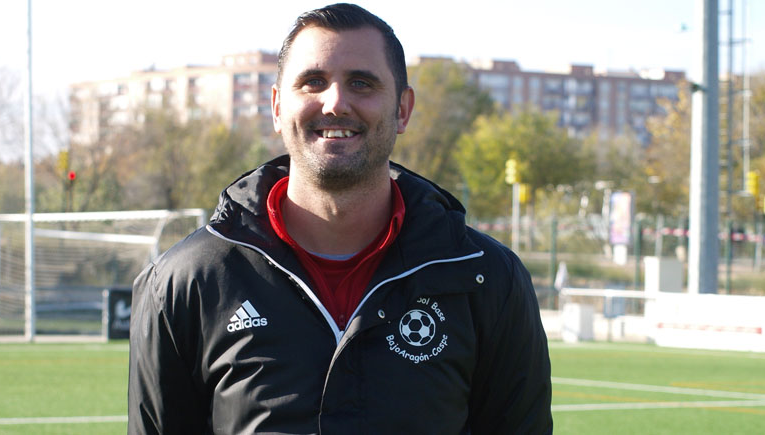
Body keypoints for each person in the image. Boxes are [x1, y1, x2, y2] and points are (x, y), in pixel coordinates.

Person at [128, 3, 552, 434]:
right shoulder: (186, 281)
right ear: (277, 107)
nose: (335, 103)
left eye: (361, 83)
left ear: (402, 109)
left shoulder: (486, 277)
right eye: (313, 82)